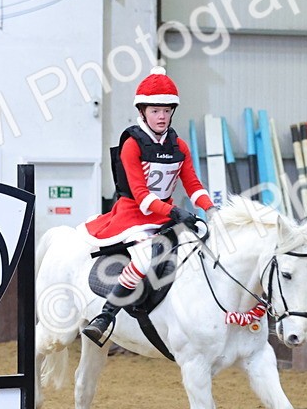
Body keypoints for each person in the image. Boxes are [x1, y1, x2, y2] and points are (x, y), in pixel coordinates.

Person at [80, 67, 213, 345]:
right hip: (134, 215)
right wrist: (175, 212)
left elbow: (193, 185)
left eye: (166, 111)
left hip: (165, 217)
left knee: (202, 242)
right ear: (142, 112)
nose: (161, 116)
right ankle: (106, 315)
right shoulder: (132, 144)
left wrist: (212, 210)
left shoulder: (180, 146)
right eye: (155, 111)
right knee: (145, 256)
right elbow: (141, 195)